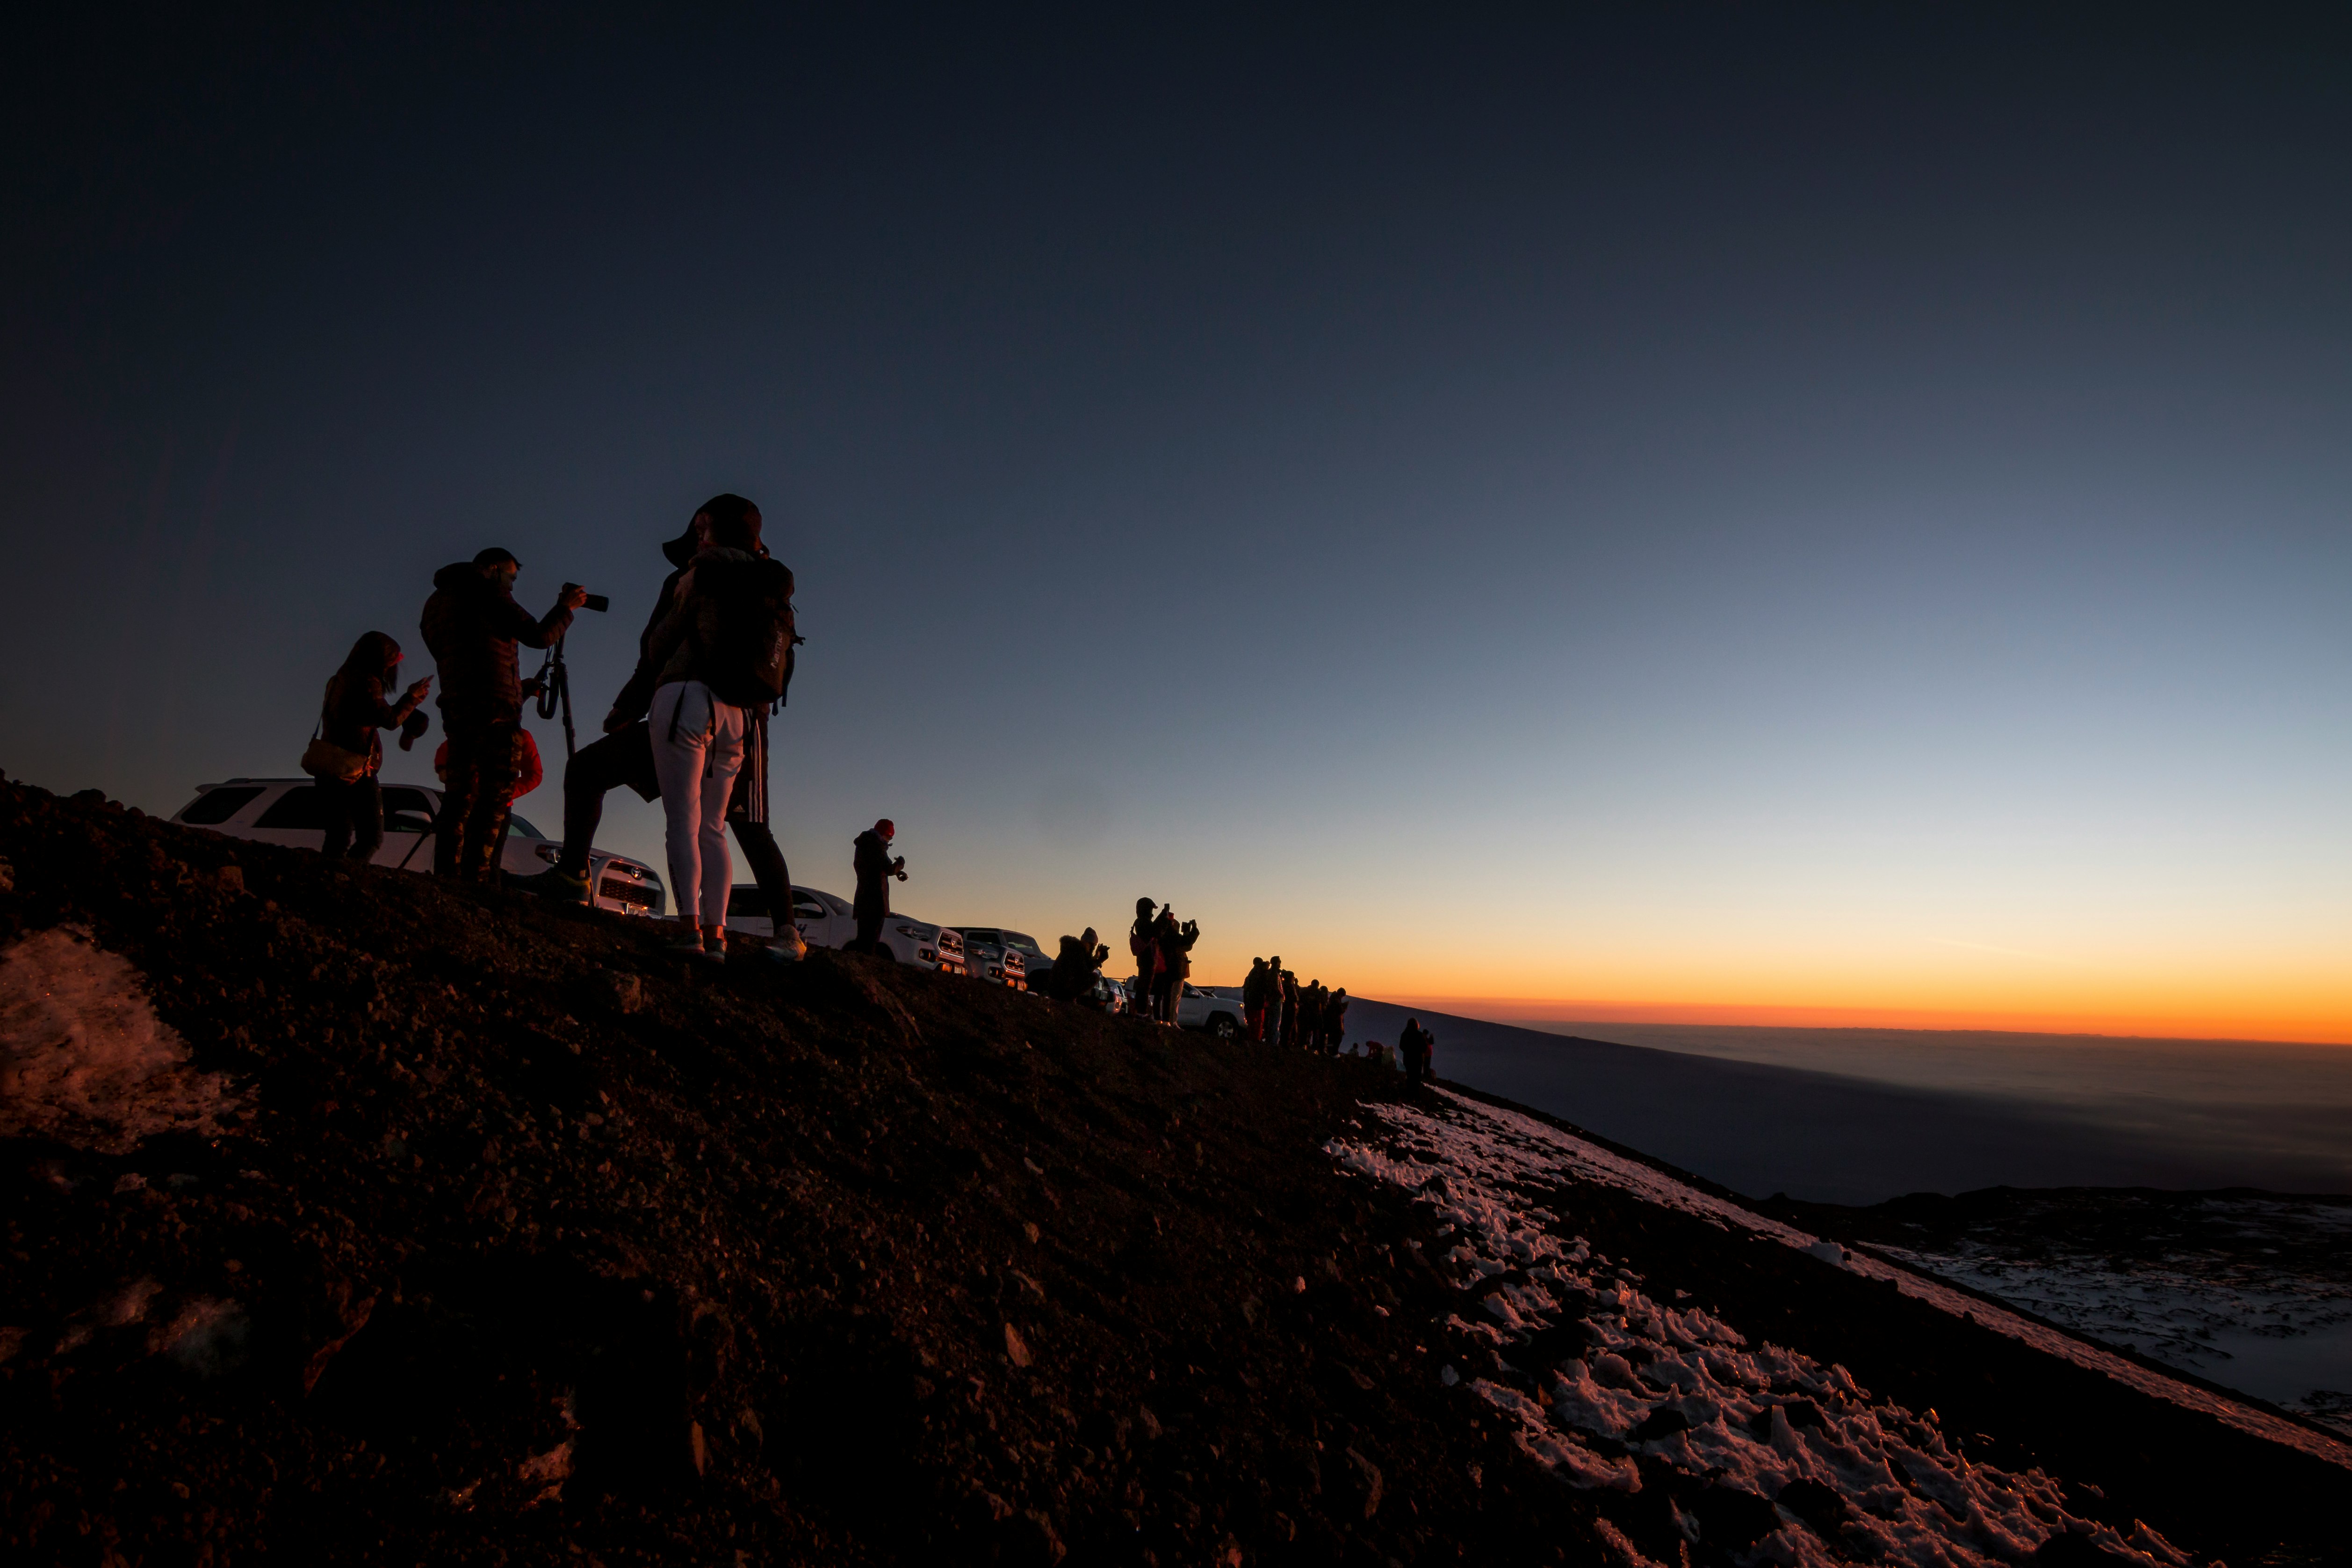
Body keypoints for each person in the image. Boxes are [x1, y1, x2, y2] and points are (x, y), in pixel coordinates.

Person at [546, 498, 805, 959]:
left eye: (700, 532)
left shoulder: (691, 577)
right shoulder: (771, 582)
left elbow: (656, 649)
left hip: (685, 706)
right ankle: (780, 932)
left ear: (707, 533)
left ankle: (575, 880)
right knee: (744, 825)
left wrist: (628, 704)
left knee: (592, 772)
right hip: (745, 721)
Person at [420, 548, 585, 883]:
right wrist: (566, 609)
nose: (511, 586)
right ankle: (478, 875)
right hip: (495, 706)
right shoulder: (487, 590)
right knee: (497, 791)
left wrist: (517, 688)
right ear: (493, 569)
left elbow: (462, 652)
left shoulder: (434, 604)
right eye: (510, 577)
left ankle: (447, 873)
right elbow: (538, 635)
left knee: (459, 792)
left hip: (456, 704)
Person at [313, 632, 431, 862]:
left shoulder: (337, 680)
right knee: (371, 838)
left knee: (338, 836)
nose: (393, 669)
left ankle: (329, 882)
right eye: (393, 663)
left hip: (327, 765)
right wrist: (412, 698)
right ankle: (347, 883)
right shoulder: (368, 681)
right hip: (355, 770)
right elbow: (389, 720)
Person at [850, 818, 906, 954]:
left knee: (863, 938)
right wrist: (901, 864)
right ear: (884, 834)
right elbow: (888, 869)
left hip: (864, 897)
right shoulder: (875, 846)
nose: (889, 841)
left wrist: (897, 871)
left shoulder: (866, 844)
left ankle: (859, 965)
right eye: (889, 837)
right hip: (875, 900)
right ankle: (864, 967)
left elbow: (879, 868)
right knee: (870, 941)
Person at [1151, 905, 1199, 1025]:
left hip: (1159, 967)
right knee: (1167, 996)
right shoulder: (1173, 937)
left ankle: (1158, 1019)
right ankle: (1167, 1020)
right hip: (1171, 969)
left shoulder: (1159, 934)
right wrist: (1193, 930)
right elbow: (1187, 943)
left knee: (1159, 995)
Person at [1049, 927, 1111, 1003]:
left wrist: (1097, 957)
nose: (1093, 949)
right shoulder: (1077, 952)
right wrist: (1100, 960)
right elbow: (1085, 972)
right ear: (1089, 943)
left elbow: (1084, 966)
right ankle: (1070, 999)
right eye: (1093, 946)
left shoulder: (1074, 949)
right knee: (1094, 977)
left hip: (1056, 989)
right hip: (1061, 991)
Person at [1128, 898, 1161, 1019]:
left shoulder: (1142, 922)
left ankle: (1141, 1011)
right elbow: (1155, 932)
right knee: (1145, 986)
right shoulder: (1143, 923)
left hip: (1146, 959)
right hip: (1147, 959)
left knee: (1145, 986)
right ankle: (1141, 1012)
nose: (1152, 914)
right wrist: (1163, 917)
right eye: (1151, 910)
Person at [1241, 957, 1272, 1042]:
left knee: (1253, 1021)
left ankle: (1253, 1037)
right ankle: (1256, 1038)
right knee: (1258, 1021)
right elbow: (1262, 986)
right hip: (1257, 1001)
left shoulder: (1252, 973)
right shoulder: (1258, 974)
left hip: (1252, 1001)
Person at [1264, 955, 1285, 1048]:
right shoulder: (1274, 974)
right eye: (1279, 962)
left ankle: (1271, 1040)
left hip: (1271, 1000)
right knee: (1275, 1022)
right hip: (1276, 1001)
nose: (1280, 964)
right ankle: (1273, 1042)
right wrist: (1282, 995)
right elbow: (1276, 987)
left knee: (1271, 1021)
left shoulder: (1270, 973)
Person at [1279, 968, 1300, 1050]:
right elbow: (1295, 998)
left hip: (1285, 1008)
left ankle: (1284, 1041)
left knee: (1285, 1025)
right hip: (1291, 1009)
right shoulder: (1290, 986)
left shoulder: (1283, 985)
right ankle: (1286, 1043)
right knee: (1289, 1026)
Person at [1327, 987, 1350, 1055]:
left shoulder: (1333, 998)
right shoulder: (1336, 1000)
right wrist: (1345, 1007)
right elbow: (1340, 1011)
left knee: (1332, 1038)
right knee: (1337, 1038)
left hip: (1333, 1021)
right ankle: (1334, 1053)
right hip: (1336, 1022)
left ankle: (1331, 1051)